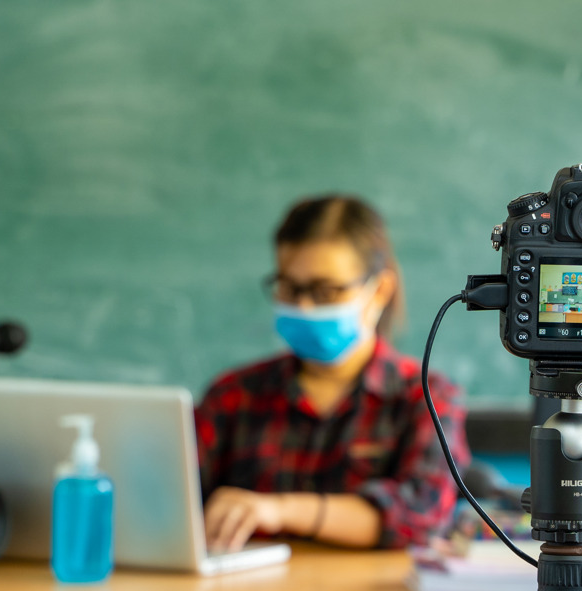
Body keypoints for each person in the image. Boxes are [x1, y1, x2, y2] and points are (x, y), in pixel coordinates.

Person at [195, 195, 470, 551]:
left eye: (325, 291)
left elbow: (421, 514)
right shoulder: (232, 396)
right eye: (290, 288)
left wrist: (281, 511)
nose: (304, 306)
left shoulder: (427, 397)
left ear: (379, 290)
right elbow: (173, 501)